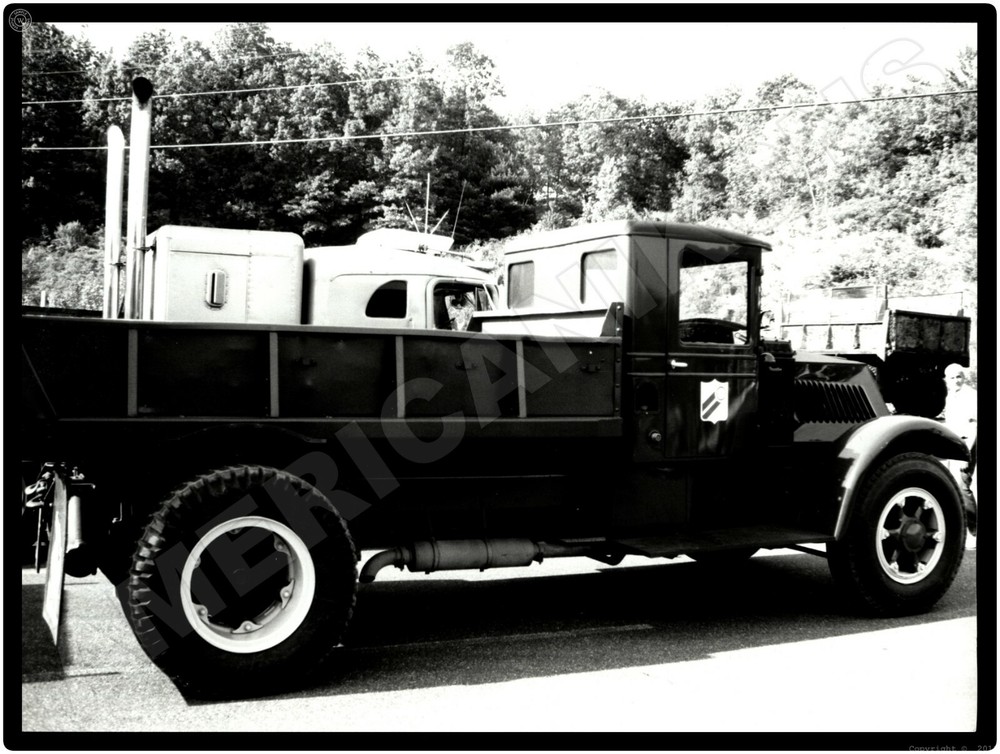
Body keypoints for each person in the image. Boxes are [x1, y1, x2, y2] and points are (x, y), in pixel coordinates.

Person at [942, 363, 977, 540]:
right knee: (952, 486)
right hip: (953, 446)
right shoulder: (951, 396)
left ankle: (973, 532)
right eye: (952, 378)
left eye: (959, 377)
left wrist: (966, 454)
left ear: (964, 378)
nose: (956, 381)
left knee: (963, 488)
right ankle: (959, 530)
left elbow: (973, 426)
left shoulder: (970, 396)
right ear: (946, 380)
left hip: (966, 445)